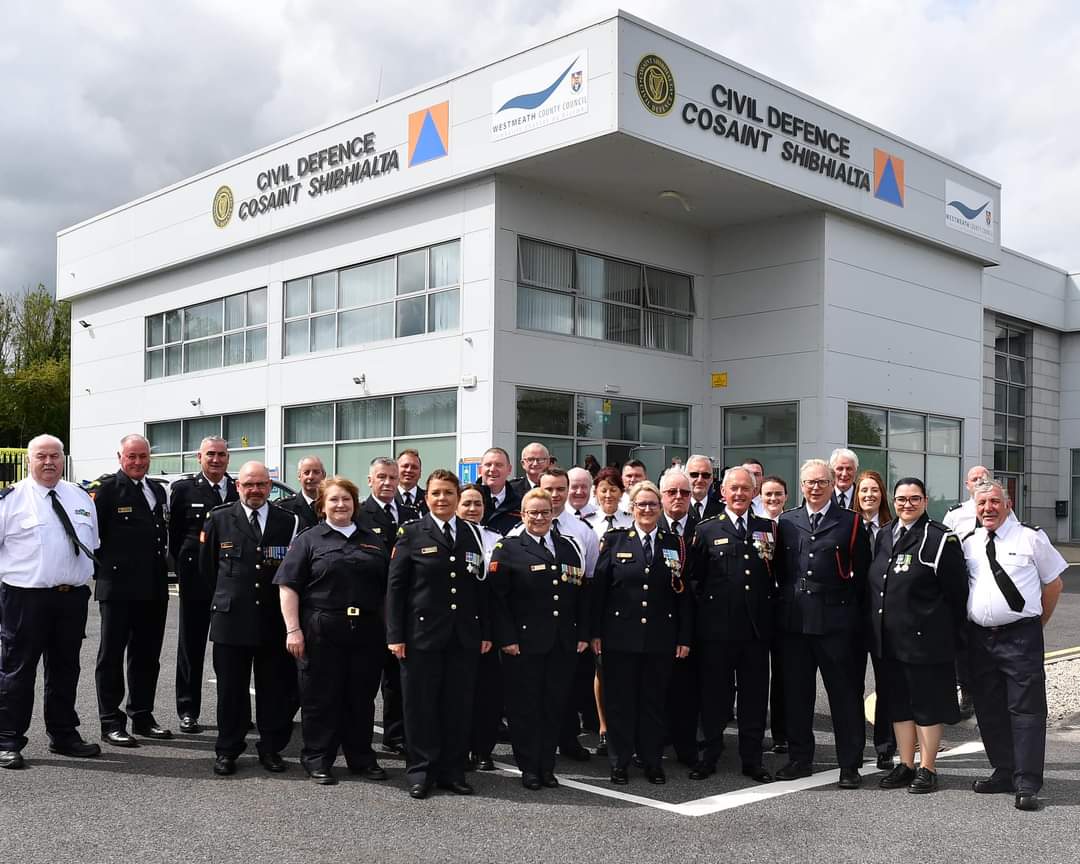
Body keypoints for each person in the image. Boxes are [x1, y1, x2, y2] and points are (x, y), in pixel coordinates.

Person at [276, 476, 389, 785]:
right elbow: (288, 586)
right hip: (321, 630)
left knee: (361, 698)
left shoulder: (373, 540)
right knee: (320, 698)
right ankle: (318, 758)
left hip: (366, 630)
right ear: (322, 506)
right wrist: (293, 630)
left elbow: (387, 590)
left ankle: (361, 758)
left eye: (347, 499)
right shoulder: (309, 539)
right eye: (334, 500)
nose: (341, 505)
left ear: (355, 503)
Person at [386, 469, 491, 799]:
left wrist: (485, 631)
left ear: (458, 497)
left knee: (458, 706)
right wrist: (395, 635)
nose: (442, 499)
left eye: (448, 492)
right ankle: (421, 770)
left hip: (463, 636)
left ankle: (452, 770)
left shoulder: (474, 534)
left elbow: (481, 588)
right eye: (436, 493)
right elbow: (396, 587)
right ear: (426, 498)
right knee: (421, 705)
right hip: (420, 636)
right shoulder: (412, 533)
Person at [962, 478, 1066, 812]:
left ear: (1008, 505)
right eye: (982, 504)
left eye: (994, 502)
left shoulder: (1031, 538)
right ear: (975, 509)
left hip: (1020, 636)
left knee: (1026, 711)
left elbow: (1054, 584)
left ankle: (1027, 782)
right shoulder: (968, 542)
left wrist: (1038, 623)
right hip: (980, 638)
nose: (988, 508)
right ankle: (1004, 771)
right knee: (989, 710)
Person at [0, 435, 101, 769]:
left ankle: (64, 735)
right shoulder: (10, 500)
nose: (48, 462)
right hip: (24, 598)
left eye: (55, 456)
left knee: (65, 669)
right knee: (18, 670)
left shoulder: (79, 496)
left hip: (71, 598)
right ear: (29, 460)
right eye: (41, 456)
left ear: (62, 459)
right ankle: (8, 739)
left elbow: (93, 543)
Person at [773, 458, 871, 789]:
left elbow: (862, 577)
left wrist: (853, 621)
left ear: (833, 485)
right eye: (809, 482)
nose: (815, 488)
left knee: (843, 696)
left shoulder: (851, 522)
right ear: (800, 486)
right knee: (797, 695)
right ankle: (800, 759)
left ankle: (849, 765)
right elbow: (781, 571)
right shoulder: (786, 521)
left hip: (836, 623)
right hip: (796, 622)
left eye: (821, 482)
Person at [868, 477, 969, 794]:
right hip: (889, 640)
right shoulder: (884, 534)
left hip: (925, 641)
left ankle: (928, 767)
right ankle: (906, 763)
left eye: (914, 499)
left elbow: (957, 593)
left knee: (925, 706)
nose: (906, 505)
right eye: (900, 499)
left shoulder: (939, 538)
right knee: (898, 705)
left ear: (925, 501)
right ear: (893, 501)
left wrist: (946, 636)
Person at [201, 461, 299, 776]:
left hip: (273, 620)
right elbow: (207, 570)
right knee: (231, 690)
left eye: (261, 485)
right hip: (231, 620)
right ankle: (227, 750)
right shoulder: (219, 519)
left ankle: (270, 749)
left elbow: (294, 573)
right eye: (248, 485)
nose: (255, 490)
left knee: (274, 689)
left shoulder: (289, 521)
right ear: (238, 486)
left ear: (270, 487)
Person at [591, 481, 692, 785]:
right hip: (620, 637)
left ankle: (651, 761)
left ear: (660, 509)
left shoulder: (675, 543)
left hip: (660, 638)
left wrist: (684, 637)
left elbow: (683, 595)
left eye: (652, 505)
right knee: (621, 702)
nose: (647, 510)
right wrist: (595, 632)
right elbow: (599, 592)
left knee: (653, 702)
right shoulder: (615, 541)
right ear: (631, 509)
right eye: (641, 505)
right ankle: (619, 761)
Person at [489, 488, 589, 790]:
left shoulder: (569, 546)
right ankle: (529, 768)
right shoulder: (508, 548)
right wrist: (506, 638)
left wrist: (582, 633)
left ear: (553, 514)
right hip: (523, 644)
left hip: (562, 643)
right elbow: (498, 600)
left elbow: (581, 595)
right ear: (523, 514)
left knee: (553, 705)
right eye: (533, 512)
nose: (540, 517)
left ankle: (547, 765)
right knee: (525, 708)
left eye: (545, 512)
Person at [685, 467, 775, 783]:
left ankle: (752, 760)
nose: (738, 494)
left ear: (754, 492)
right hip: (717, 631)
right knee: (714, 696)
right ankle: (709, 755)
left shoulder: (768, 528)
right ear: (723, 492)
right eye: (733, 489)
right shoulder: (707, 529)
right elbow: (694, 579)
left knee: (753, 698)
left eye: (745, 489)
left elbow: (775, 575)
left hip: (754, 630)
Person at [92, 434, 172, 747]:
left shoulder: (156, 490)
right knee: (111, 656)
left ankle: (142, 715)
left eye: (143, 456)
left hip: (153, 586)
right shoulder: (108, 490)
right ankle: (110, 721)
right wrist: (107, 572)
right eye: (132, 457)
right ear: (120, 457)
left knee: (147, 655)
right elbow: (92, 538)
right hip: (119, 588)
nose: (138, 462)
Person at [170, 435, 238, 734]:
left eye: (221, 455)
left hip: (230, 578)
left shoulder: (238, 489)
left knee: (231, 647)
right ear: (199, 457)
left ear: (228, 458)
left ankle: (234, 711)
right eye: (210, 454)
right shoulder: (184, 490)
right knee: (191, 645)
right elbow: (175, 537)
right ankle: (187, 710)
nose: (216, 459)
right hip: (196, 578)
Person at [357, 457, 419, 759]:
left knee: (397, 679)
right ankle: (359, 740)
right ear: (370, 480)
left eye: (392, 478)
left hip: (404, 609)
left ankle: (395, 736)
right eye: (381, 477)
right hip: (371, 607)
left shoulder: (411, 514)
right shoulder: (359, 514)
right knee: (366, 679)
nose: (387, 483)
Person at [537, 468, 599, 762]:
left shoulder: (583, 531)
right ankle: (539, 744)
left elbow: (590, 587)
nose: (555, 495)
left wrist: (585, 631)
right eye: (549, 488)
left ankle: (568, 738)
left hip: (570, 626)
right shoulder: (518, 531)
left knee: (569, 688)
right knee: (538, 689)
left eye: (561, 489)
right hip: (535, 626)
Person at [458, 483, 506, 772]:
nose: (472, 509)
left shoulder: (496, 539)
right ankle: (459, 747)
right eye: (467, 503)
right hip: (460, 625)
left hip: (491, 626)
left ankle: (483, 750)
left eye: (477, 503)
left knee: (488, 694)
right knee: (460, 692)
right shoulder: (451, 539)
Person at [853, 468, 897, 768]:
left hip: (885, 619)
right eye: (863, 490)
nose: (869, 495)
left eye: (874, 490)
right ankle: (854, 746)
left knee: (887, 686)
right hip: (853, 618)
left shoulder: (894, 529)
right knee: (851, 686)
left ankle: (885, 746)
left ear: (882, 496)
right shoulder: (848, 525)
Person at [658, 467, 700, 767]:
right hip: (655, 623)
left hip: (692, 623)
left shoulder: (705, 529)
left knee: (687, 691)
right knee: (652, 688)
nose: (678, 497)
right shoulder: (649, 525)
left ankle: (686, 747)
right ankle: (652, 742)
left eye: (684, 492)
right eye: (671, 492)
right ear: (661, 495)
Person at [943, 464, 990, 719]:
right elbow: (944, 546)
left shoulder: (998, 507)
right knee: (959, 642)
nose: (980, 480)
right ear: (967, 485)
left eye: (984, 477)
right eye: (974, 478)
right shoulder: (956, 514)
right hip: (961, 584)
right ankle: (964, 694)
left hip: (987, 582)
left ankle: (983, 690)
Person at [758, 474, 788, 753]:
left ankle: (781, 733)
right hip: (758, 605)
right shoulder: (754, 524)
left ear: (786, 497)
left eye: (778, 494)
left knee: (782, 673)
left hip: (782, 606)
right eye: (768, 494)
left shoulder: (790, 525)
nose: (773, 499)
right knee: (755, 673)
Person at [479, 447, 522, 535]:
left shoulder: (520, 504)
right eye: (488, 464)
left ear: (509, 469)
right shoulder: (464, 499)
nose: (492, 469)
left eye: (499, 465)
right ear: (480, 470)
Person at [277, 455, 326, 530]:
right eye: (306, 473)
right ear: (299, 476)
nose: (311, 477)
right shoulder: (285, 508)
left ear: (323, 475)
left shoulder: (333, 505)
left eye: (316, 472)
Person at [591, 467, 632, 540]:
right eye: (603, 491)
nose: (608, 495)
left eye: (613, 490)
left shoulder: (631, 521)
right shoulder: (588, 522)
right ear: (595, 493)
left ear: (622, 493)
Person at [686, 455, 722, 521]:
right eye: (694, 475)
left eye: (705, 475)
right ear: (686, 477)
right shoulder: (679, 508)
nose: (700, 480)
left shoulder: (723, 511)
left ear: (711, 479)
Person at [395, 449, 428, 515]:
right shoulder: (387, 498)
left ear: (420, 473)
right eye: (405, 466)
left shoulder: (429, 498)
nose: (409, 470)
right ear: (395, 470)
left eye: (414, 467)